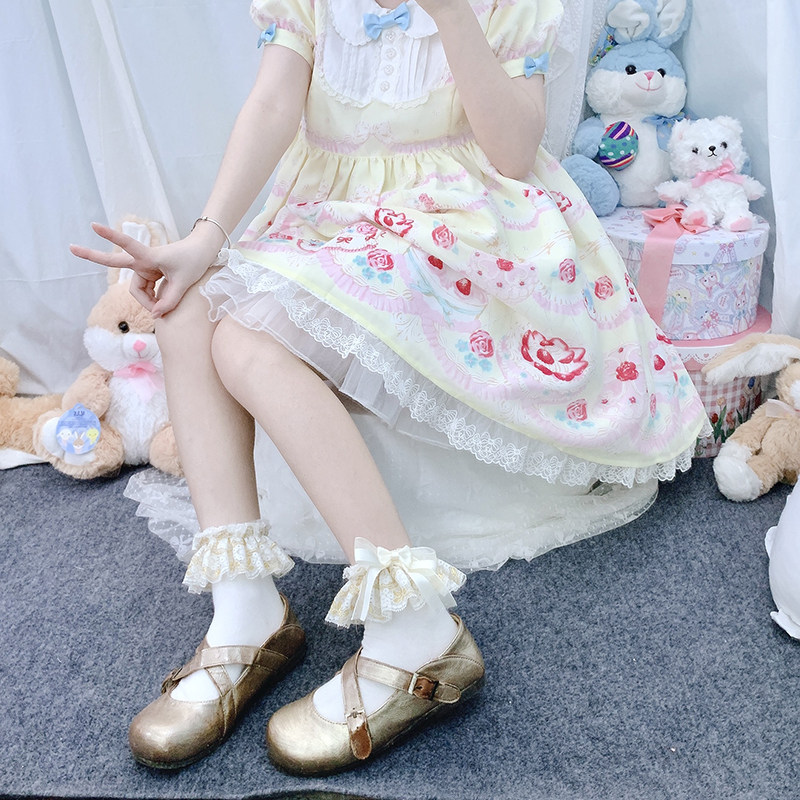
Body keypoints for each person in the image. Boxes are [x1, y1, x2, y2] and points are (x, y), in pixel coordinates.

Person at [70, 0, 709, 776]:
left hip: (459, 221)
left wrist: (451, 13)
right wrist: (205, 240)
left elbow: (512, 153)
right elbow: (272, 104)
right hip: (329, 215)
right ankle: (245, 611)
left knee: (244, 341)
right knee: (185, 309)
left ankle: (415, 627)